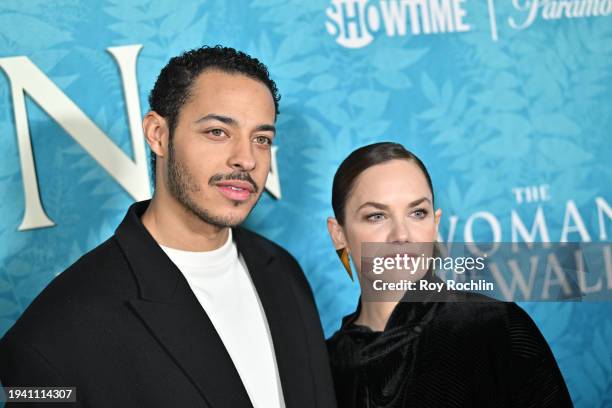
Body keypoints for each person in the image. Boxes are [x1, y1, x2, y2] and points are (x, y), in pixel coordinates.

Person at [0, 46, 336, 408]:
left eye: (261, 139)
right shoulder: (52, 336)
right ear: (158, 133)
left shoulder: (283, 271)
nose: (246, 158)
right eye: (218, 132)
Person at [325, 142, 573, 408]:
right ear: (339, 234)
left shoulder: (495, 328)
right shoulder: (324, 366)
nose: (401, 235)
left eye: (417, 213)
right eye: (376, 216)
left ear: (435, 223)